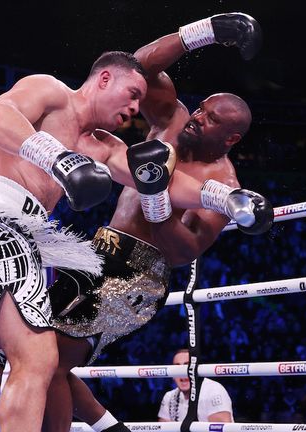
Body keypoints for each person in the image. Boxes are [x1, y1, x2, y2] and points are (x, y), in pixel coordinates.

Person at [0, 47, 267, 432]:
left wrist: (225, 198)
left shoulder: (102, 145)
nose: (137, 108)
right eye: (132, 95)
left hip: (11, 238)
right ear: (104, 79)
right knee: (39, 361)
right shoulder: (50, 91)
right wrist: (58, 158)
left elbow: (161, 182)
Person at [40, 12, 267, 432]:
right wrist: (207, 32)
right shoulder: (173, 121)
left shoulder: (224, 183)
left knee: (51, 359)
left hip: (141, 273)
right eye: (202, 108)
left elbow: (186, 249)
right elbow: (139, 69)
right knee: (41, 357)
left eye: (211, 119)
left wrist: (158, 202)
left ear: (230, 138)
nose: (198, 117)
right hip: (100, 247)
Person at [157, 349, 233, 422]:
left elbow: (219, 429)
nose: (182, 372)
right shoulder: (170, 397)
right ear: (173, 375)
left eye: (187, 366)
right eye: (177, 367)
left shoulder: (213, 390)